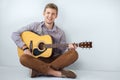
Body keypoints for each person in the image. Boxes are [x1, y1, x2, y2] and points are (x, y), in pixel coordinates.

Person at [11, 3, 78, 78]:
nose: (50, 16)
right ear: (44, 13)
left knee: (73, 54)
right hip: (37, 59)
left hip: (54, 60)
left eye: (53, 14)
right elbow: (14, 34)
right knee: (23, 58)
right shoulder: (35, 26)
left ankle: (38, 71)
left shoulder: (60, 33)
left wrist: (69, 48)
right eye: (48, 13)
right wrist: (25, 48)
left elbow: (61, 53)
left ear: (56, 16)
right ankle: (55, 73)